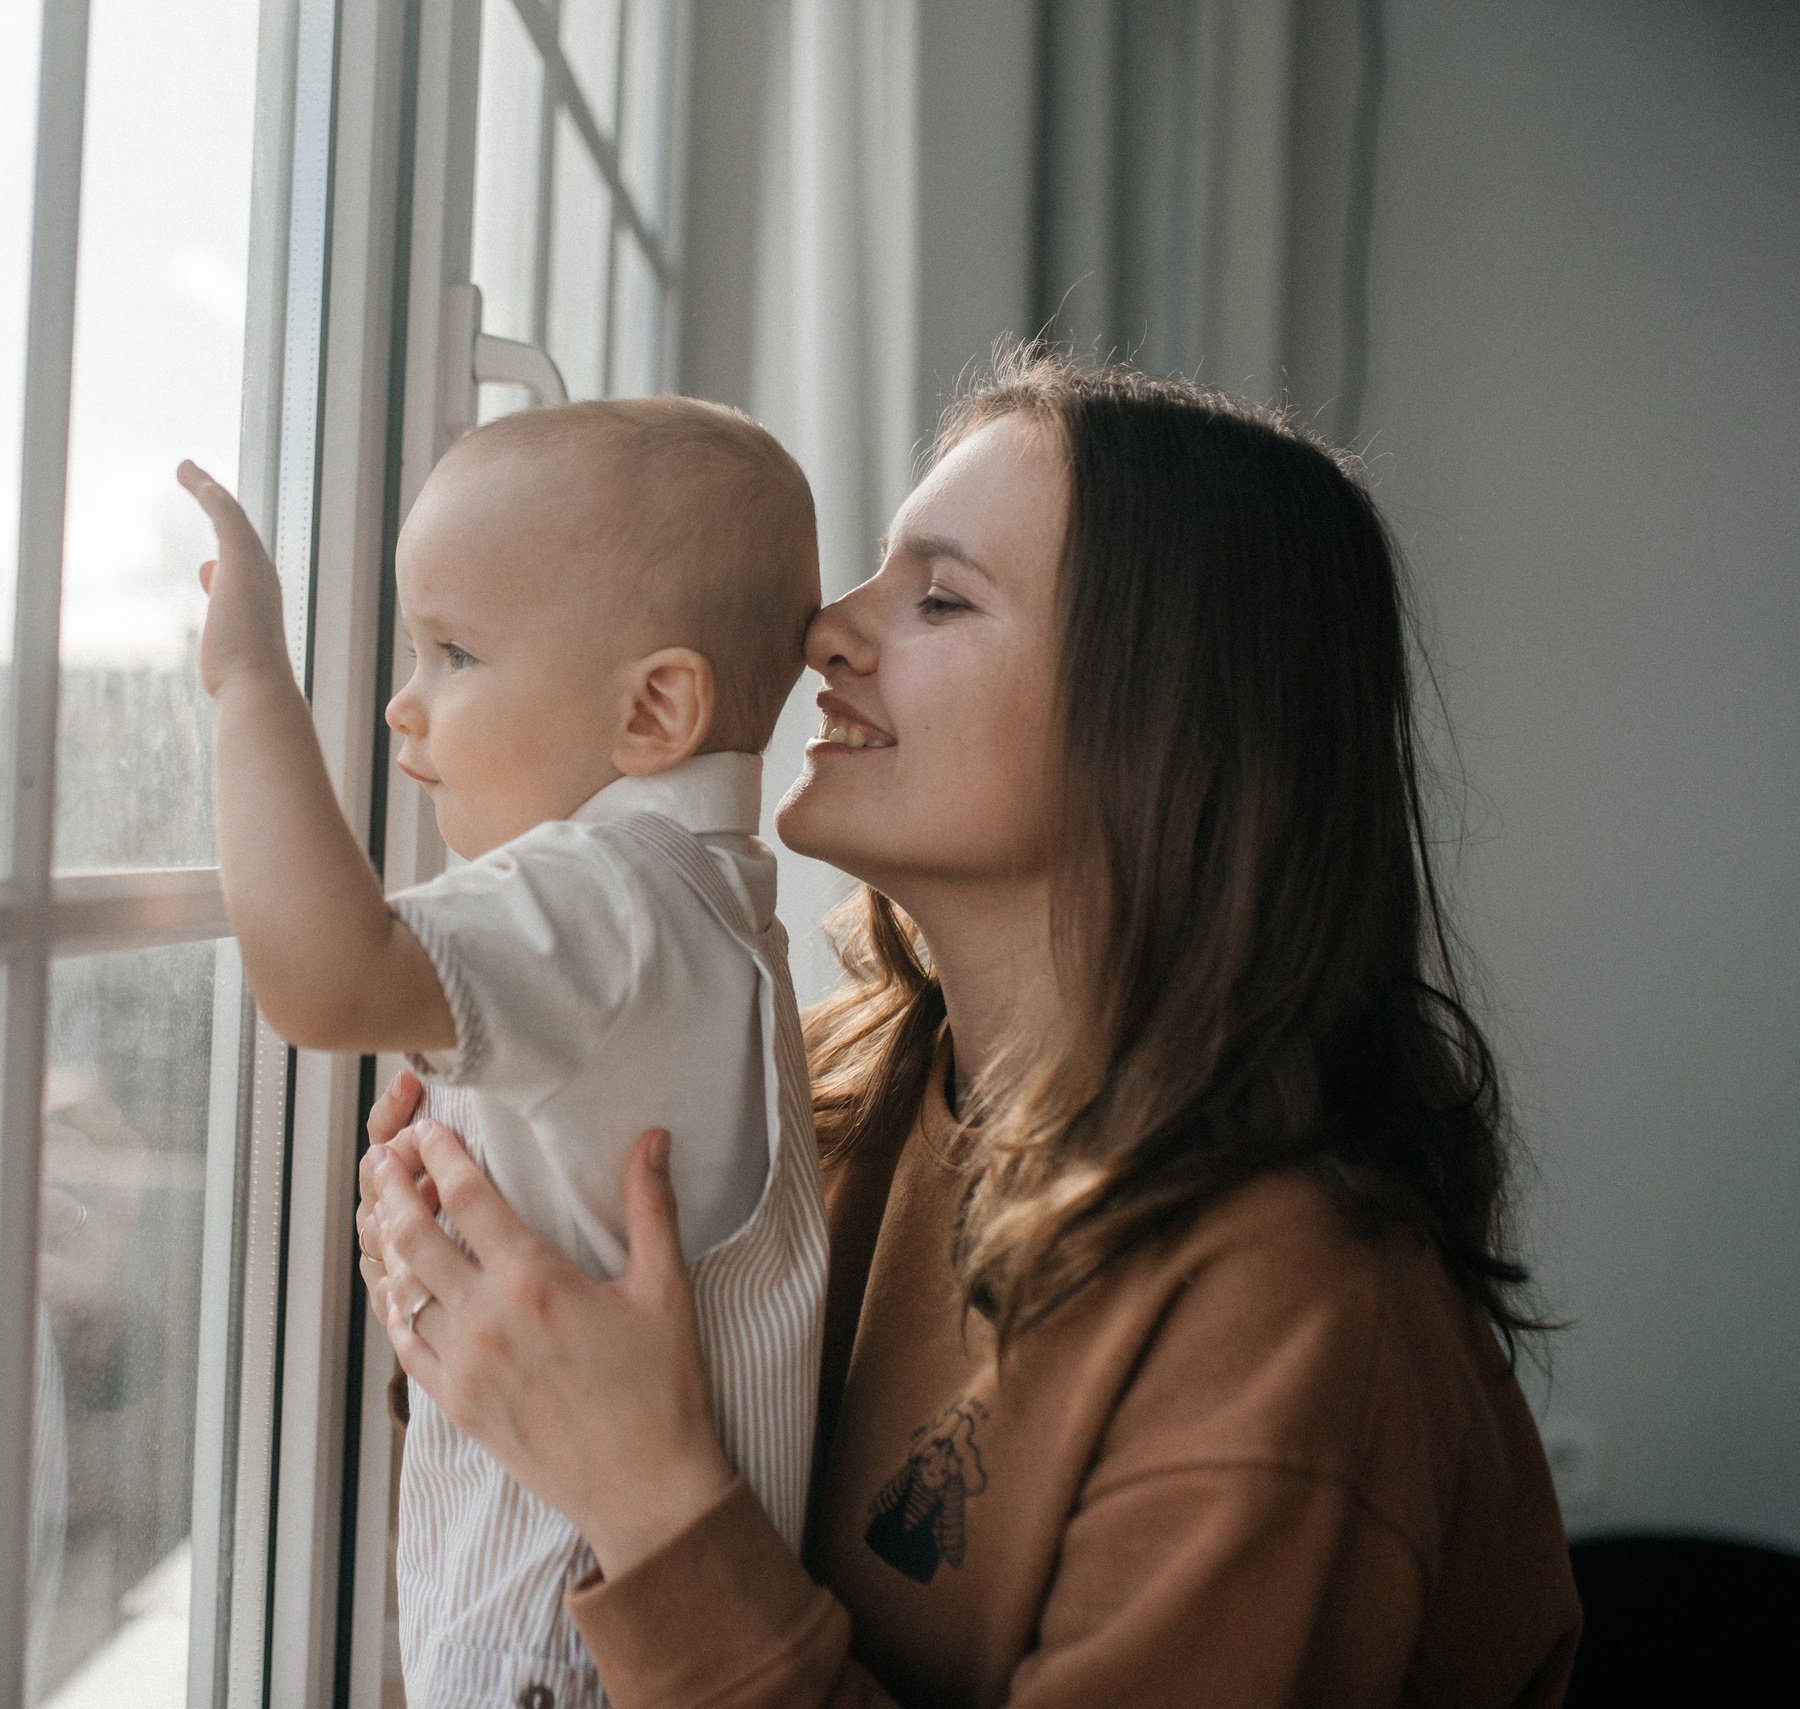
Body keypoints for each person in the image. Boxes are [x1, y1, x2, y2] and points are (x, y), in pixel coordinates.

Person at [358, 351, 1584, 1707]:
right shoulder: (821, 1091)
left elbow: (646, 1494)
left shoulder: (1297, 1324)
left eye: (939, 596)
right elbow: (570, 1483)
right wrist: (481, 1306)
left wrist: (649, 1497)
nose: (824, 630)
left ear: (1163, 721)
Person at [178, 396, 829, 1709]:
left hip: (567, 1663)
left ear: (654, 711)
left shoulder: (617, 896)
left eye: (454, 653)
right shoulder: (690, 904)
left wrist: (250, 684)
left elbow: (324, 978)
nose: (402, 711)